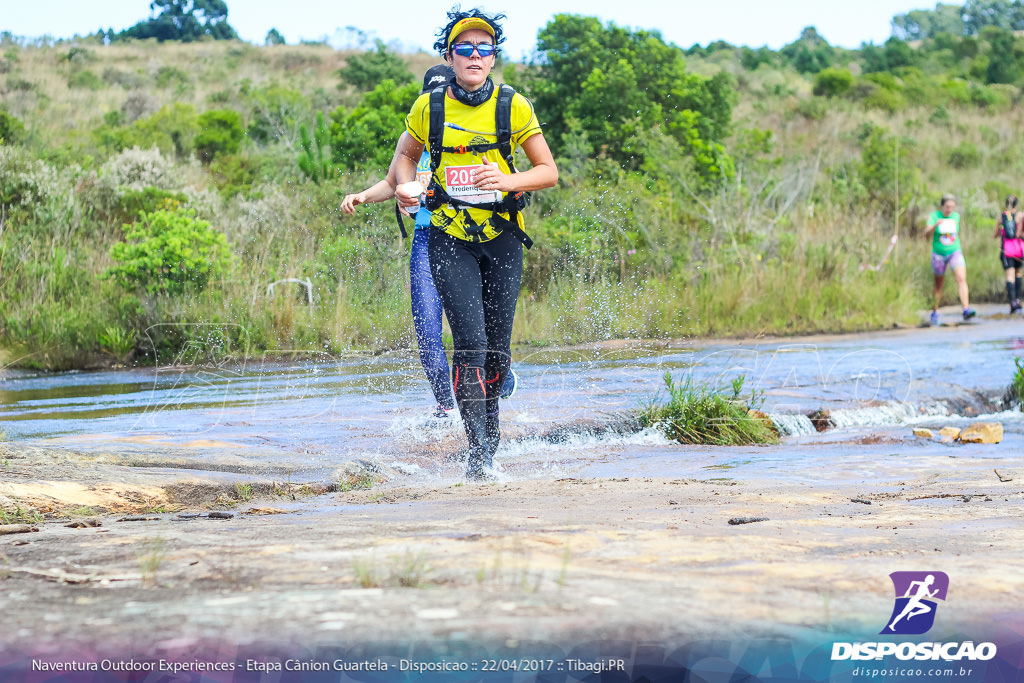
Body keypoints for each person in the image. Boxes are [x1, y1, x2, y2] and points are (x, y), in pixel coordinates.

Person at [392, 8, 558, 479]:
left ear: (493, 57)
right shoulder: (431, 107)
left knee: (498, 350)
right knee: (469, 342)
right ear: (450, 55)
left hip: (502, 238)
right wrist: (406, 185)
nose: (474, 55)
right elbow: (405, 155)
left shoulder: (513, 105)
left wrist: (508, 179)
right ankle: (479, 453)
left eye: (484, 48)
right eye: (464, 48)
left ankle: (493, 436)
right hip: (449, 237)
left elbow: (548, 171)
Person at [341, 65, 518, 419]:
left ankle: (493, 383)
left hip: (468, 238)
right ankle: (445, 405)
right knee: (426, 329)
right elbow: (393, 181)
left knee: (478, 331)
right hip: (426, 241)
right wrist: (361, 196)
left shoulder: (470, 136)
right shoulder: (415, 138)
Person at [924, 194, 975, 325]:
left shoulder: (956, 216)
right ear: (942, 206)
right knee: (938, 284)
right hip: (939, 254)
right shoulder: (934, 216)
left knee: (961, 278)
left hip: (954, 251)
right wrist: (936, 225)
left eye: (952, 207)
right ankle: (934, 311)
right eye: (947, 207)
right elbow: (926, 235)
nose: (950, 209)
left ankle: (966, 309)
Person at [994, 195, 1024, 314]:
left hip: (1006, 250)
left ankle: (1012, 303)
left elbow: (995, 234)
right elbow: (1019, 234)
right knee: (1018, 274)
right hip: (1019, 249)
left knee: (1009, 277)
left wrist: (1002, 230)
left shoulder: (1002, 217)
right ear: (1016, 205)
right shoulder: (1021, 216)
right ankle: (1018, 300)